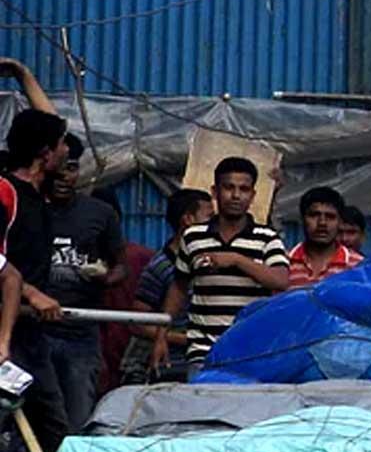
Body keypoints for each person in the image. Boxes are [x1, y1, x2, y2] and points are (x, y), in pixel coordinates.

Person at [158, 157, 289, 374]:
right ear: (215, 191)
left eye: (244, 189)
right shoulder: (193, 236)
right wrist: (162, 335)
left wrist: (236, 260)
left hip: (251, 349)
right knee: (201, 407)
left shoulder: (267, 238)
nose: (236, 195)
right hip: (203, 351)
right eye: (229, 187)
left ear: (252, 195)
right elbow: (179, 287)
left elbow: (280, 280)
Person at [35, 136, 123, 432]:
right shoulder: (28, 209)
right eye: (59, 168)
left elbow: (120, 265)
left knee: (76, 419)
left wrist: (107, 277)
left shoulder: (100, 214)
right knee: (31, 417)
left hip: (80, 332)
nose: (64, 176)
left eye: (71, 168)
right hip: (33, 331)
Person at [0, 100, 71, 452]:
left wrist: (23, 74)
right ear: (45, 154)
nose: (67, 152)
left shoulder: (40, 196)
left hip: (31, 333)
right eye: (61, 145)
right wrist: (32, 294)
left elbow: (51, 118)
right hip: (4, 327)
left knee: (53, 425)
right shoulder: (4, 192)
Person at [132, 190, 211, 386]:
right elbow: (138, 323)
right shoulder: (160, 266)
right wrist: (180, 339)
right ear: (188, 220)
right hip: (171, 367)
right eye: (209, 217)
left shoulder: (210, 262)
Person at [286, 186, 364, 287]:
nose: (322, 222)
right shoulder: (282, 264)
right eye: (314, 215)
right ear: (302, 219)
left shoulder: (358, 267)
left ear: (340, 222)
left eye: (330, 217)